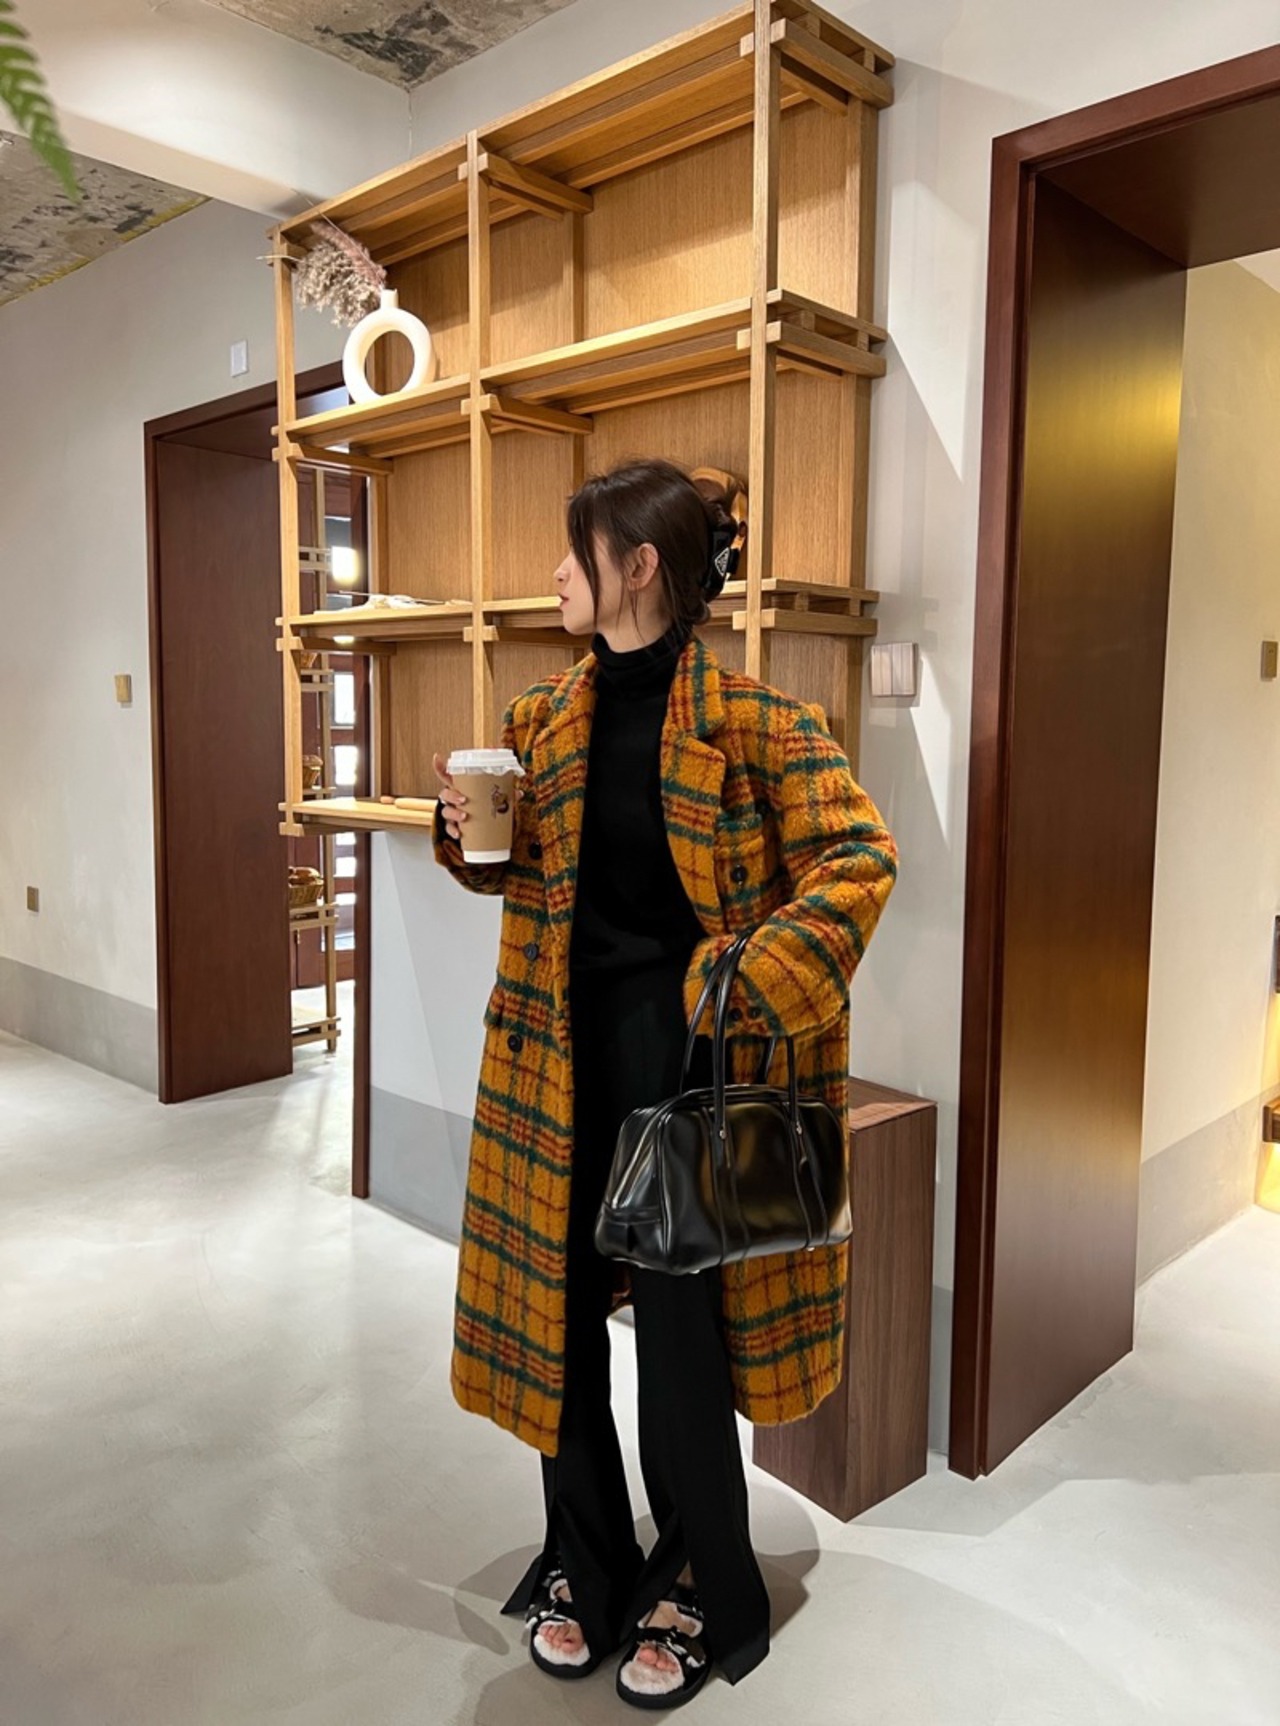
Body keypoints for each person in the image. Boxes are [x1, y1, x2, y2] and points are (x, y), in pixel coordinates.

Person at [431, 457, 898, 1706]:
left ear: (638, 567)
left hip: (690, 1072)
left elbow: (859, 857)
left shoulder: (754, 722)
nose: (553, 574)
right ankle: (584, 1559)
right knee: (559, 1319)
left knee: (686, 1343)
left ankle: (698, 1574)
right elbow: (518, 870)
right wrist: (466, 837)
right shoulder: (541, 715)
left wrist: (750, 978)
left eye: (574, 552)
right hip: (551, 1064)